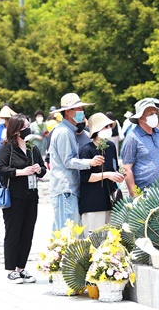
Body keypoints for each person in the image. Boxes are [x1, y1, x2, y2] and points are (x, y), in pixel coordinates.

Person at [0, 115, 47, 284]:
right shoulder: (7, 148)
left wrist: (38, 169)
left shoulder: (32, 148)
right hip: (13, 196)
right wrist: (22, 172)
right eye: (26, 126)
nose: (28, 128)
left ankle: (21, 268)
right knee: (13, 233)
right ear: (17, 130)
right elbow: (2, 169)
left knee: (27, 233)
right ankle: (11, 269)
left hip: (31, 195)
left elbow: (43, 168)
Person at [48, 93, 103, 230]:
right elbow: (68, 161)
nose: (82, 112)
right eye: (79, 109)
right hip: (65, 188)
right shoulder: (64, 132)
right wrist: (89, 162)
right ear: (68, 112)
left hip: (68, 188)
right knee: (67, 233)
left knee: (64, 232)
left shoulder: (68, 131)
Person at [79, 113, 124, 234]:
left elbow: (115, 167)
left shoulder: (111, 146)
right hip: (93, 202)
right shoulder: (87, 149)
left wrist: (119, 175)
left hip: (111, 201)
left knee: (112, 240)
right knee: (94, 239)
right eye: (106, 127)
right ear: (97, 130)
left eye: (110, 126)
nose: (109, 130)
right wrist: (107, 175)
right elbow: (85, 177)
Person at [121, 98, 159, 196]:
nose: (154, 116)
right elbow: (127, 169)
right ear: (141, 118)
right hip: (145, 192)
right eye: (150, 114)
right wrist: (135, 196)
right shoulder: (132, 138)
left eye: (155, 113)